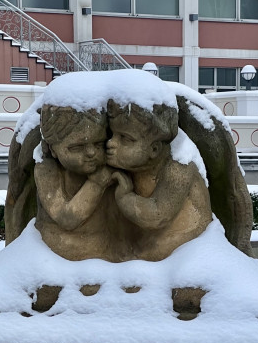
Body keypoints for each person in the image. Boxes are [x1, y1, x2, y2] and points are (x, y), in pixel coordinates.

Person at [106, 100, 211, 261]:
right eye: (113, 135)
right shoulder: (136, 165)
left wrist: (124, 197)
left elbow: (158, 215)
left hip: (185, 242)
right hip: (151, 238)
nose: (111, 143)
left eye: (125, 139)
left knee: (135, 260)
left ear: (154, 149)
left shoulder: (178, 166)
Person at [35, 104, 124, 261]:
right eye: (77, 147)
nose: (91, 153)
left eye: (98, 144)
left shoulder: (111, 162)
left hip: (108, 251)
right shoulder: (46, 169)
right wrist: (96, 184)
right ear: (53, 150)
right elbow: (66, 218)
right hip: (61, 255)